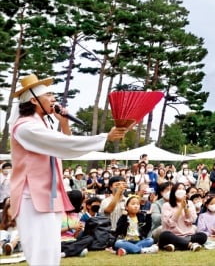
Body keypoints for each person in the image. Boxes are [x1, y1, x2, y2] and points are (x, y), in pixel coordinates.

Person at [8, 74, 130, 266]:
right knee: (41, 251)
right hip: (31, 196)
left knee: (52, 250)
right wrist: (104, 137)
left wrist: (63, 122)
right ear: (34, 100)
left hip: (48, 194)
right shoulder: (25, 128)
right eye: (49, 95)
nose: (54, 98)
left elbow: (64, 148)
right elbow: (63, 144)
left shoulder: (43, 123)